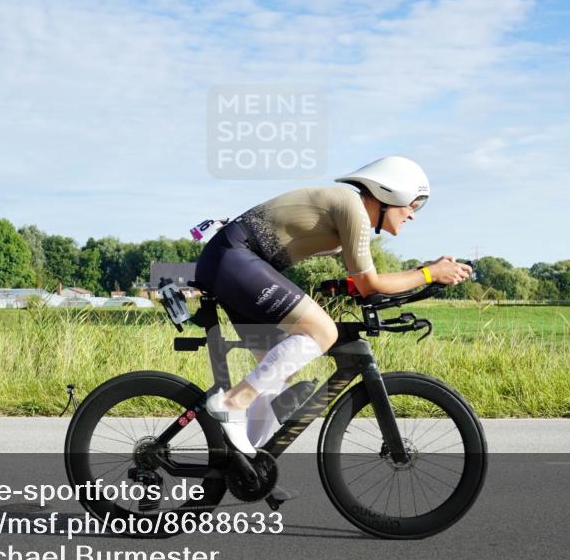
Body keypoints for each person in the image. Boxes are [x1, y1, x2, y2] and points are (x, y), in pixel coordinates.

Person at [193, 156, 472, 461]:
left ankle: (246, 465)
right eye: (412, 206)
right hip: (234, 258)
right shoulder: (352, 208)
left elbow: (361, 281)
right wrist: (430, 273)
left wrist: (425, 272)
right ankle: (232, 403)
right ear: (390, 194)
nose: (412, 215)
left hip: (232, 262)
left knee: (277, 375)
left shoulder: (350, 213)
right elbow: (370, 283)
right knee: (323, 332)